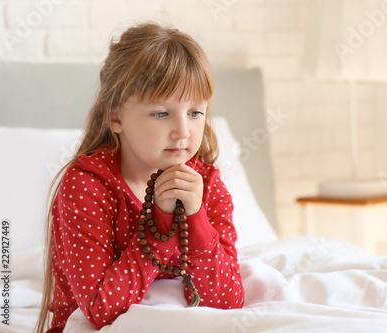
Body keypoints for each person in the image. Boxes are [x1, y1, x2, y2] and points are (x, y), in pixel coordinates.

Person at [36, 22, 245, 333]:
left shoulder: (206, 182)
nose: (183, 132)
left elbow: (227, 300)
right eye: (161, 113)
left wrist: (196, 217)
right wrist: (159, 224)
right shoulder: (86, 186)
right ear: (116, 116)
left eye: (195, 112)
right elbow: (99, 311)